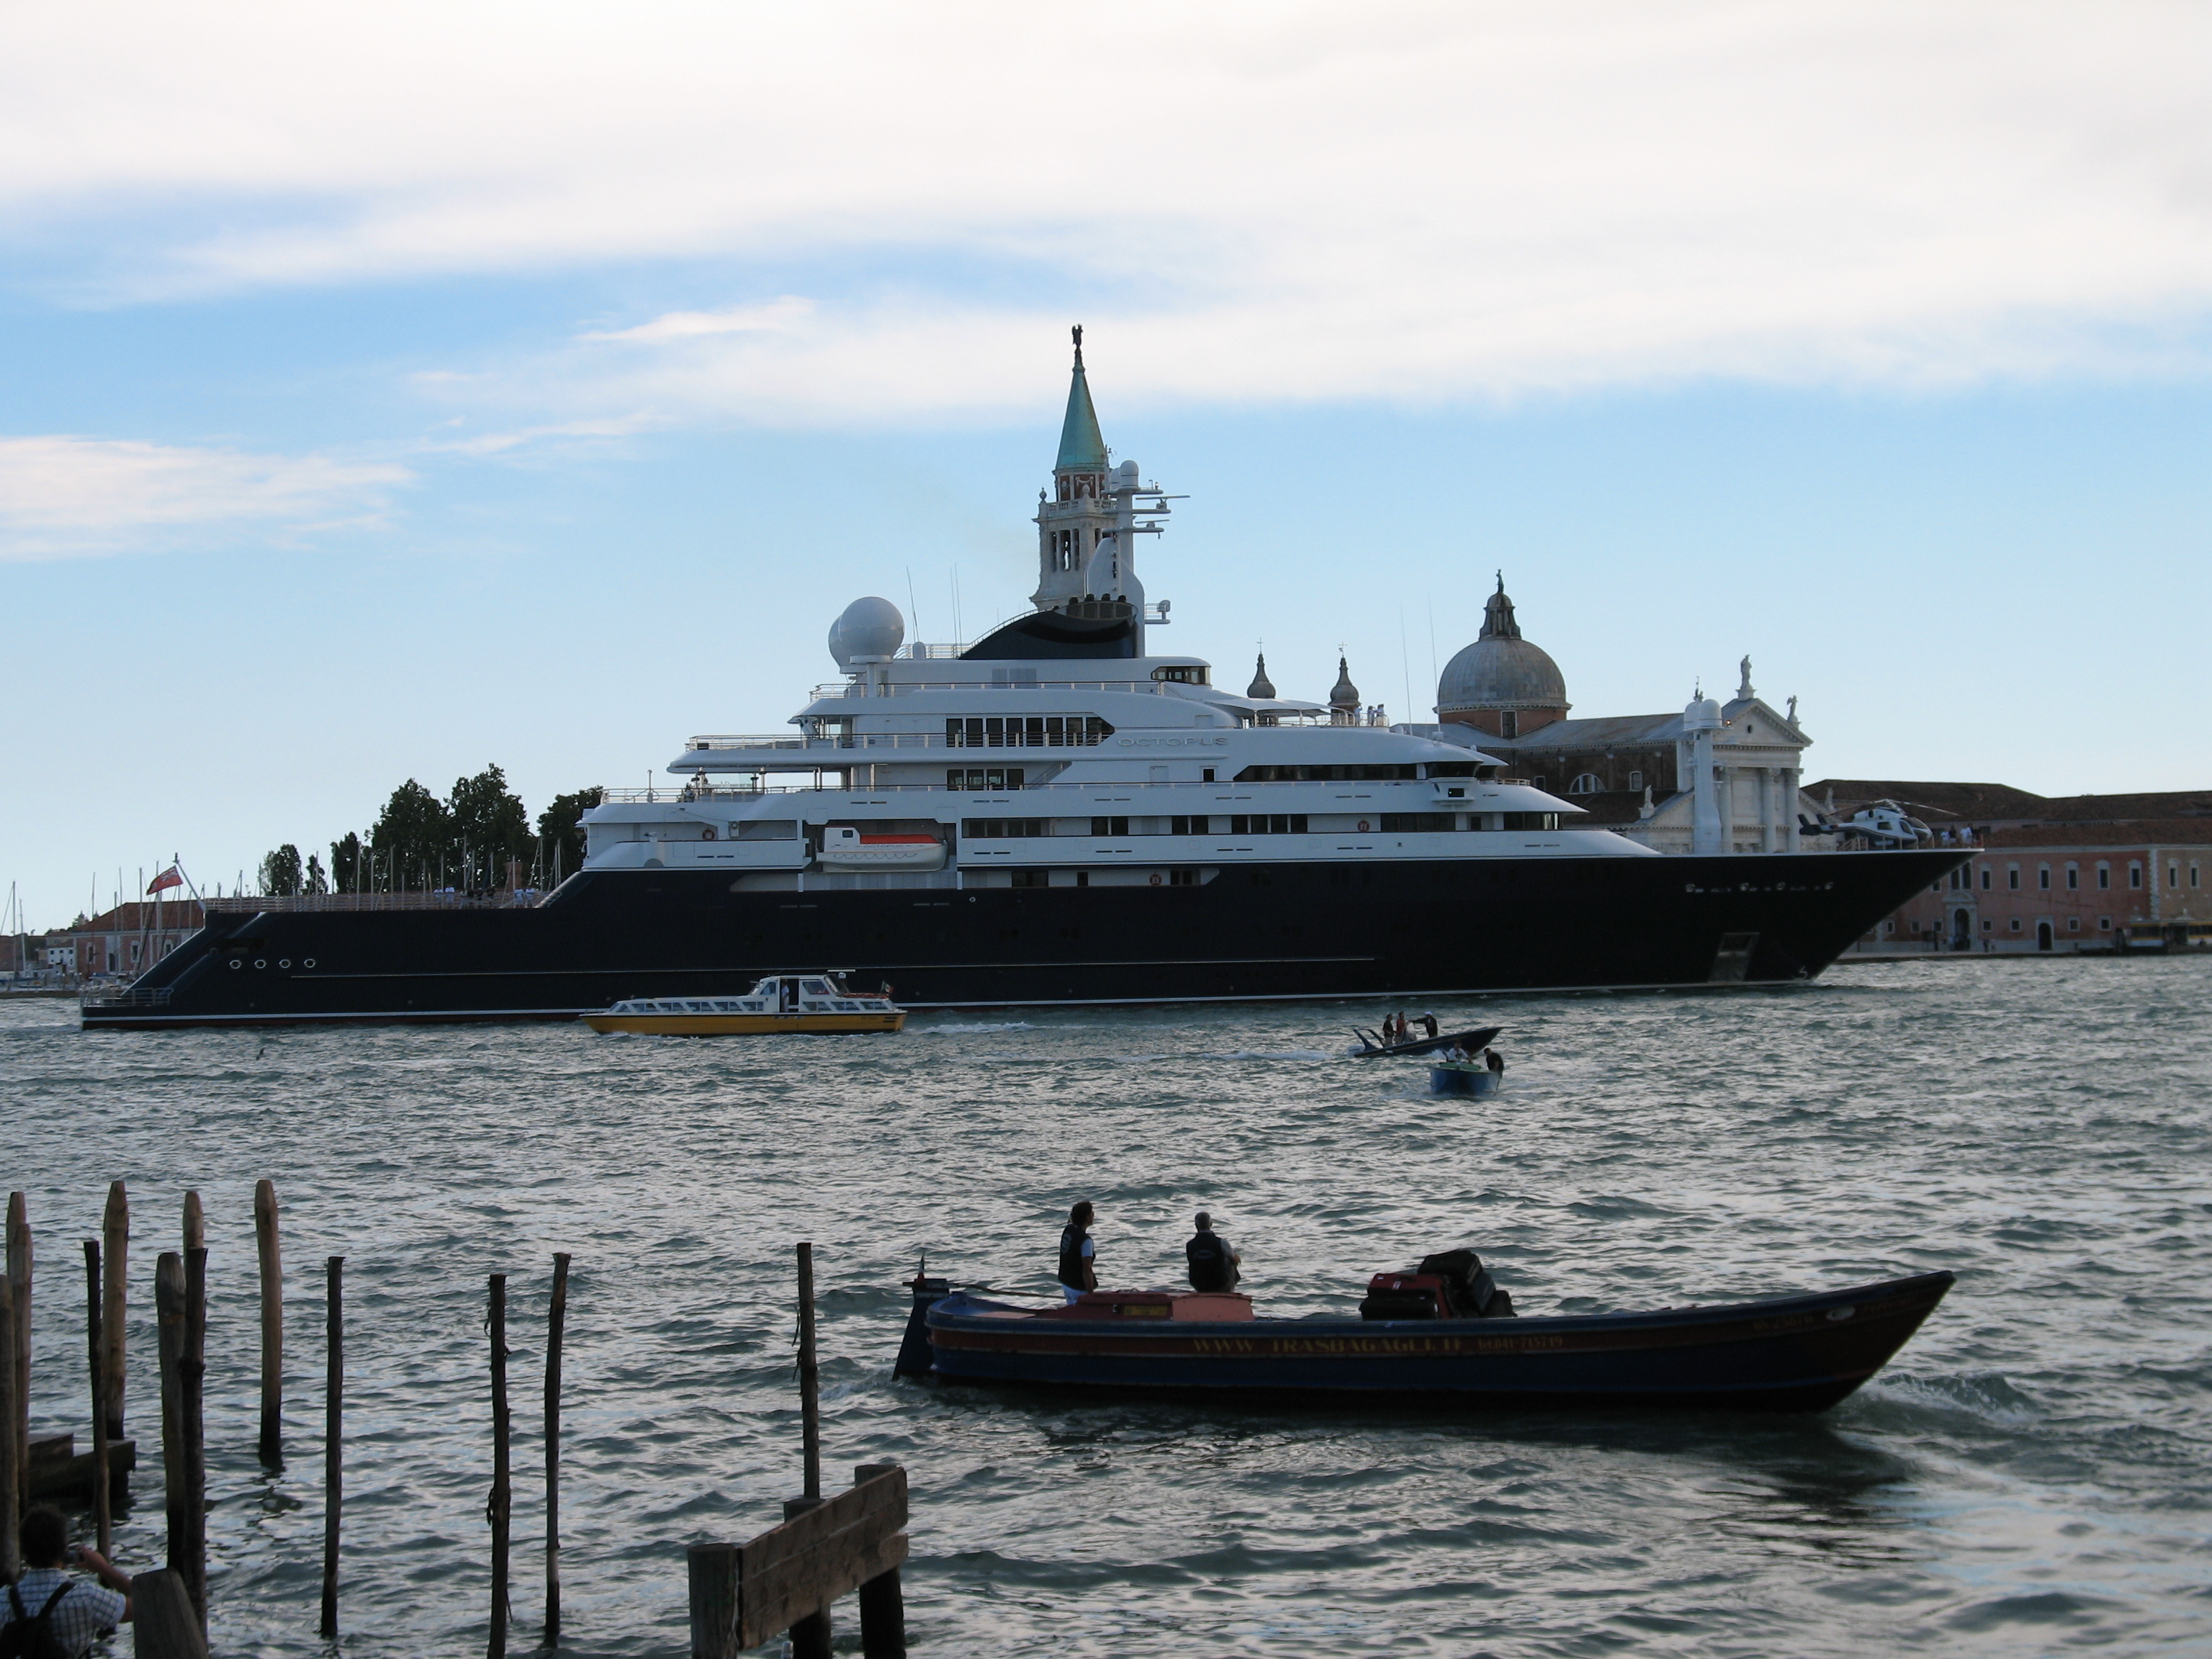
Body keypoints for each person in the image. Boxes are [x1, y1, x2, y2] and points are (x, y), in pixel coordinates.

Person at [1, 1505, 132, 1658]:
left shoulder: (4, 1600)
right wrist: (103, 1568)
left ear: (23, 1552)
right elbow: (143, 1603)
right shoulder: (86, 1596)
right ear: (64, 1548)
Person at [1186, 1212, 1242, 1292]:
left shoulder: (1190, 1245)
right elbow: (1236, 1261)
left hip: (1198, 1284)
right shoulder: (1221, 1242)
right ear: (1211, 1224)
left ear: (1196, 1226)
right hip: (1219, 1283)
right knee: (1231, 1260)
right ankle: (1229, 1291)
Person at [1057, 1201, 1097, 1303]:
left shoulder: (1068, 1230)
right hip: (1079, 1288)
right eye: (1091, 1213)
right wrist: (1090, 1295)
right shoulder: (1086, 1241)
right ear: (1087, 1217)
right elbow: (1087, 1269)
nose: (1093, 1215)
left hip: (1066, 1284)